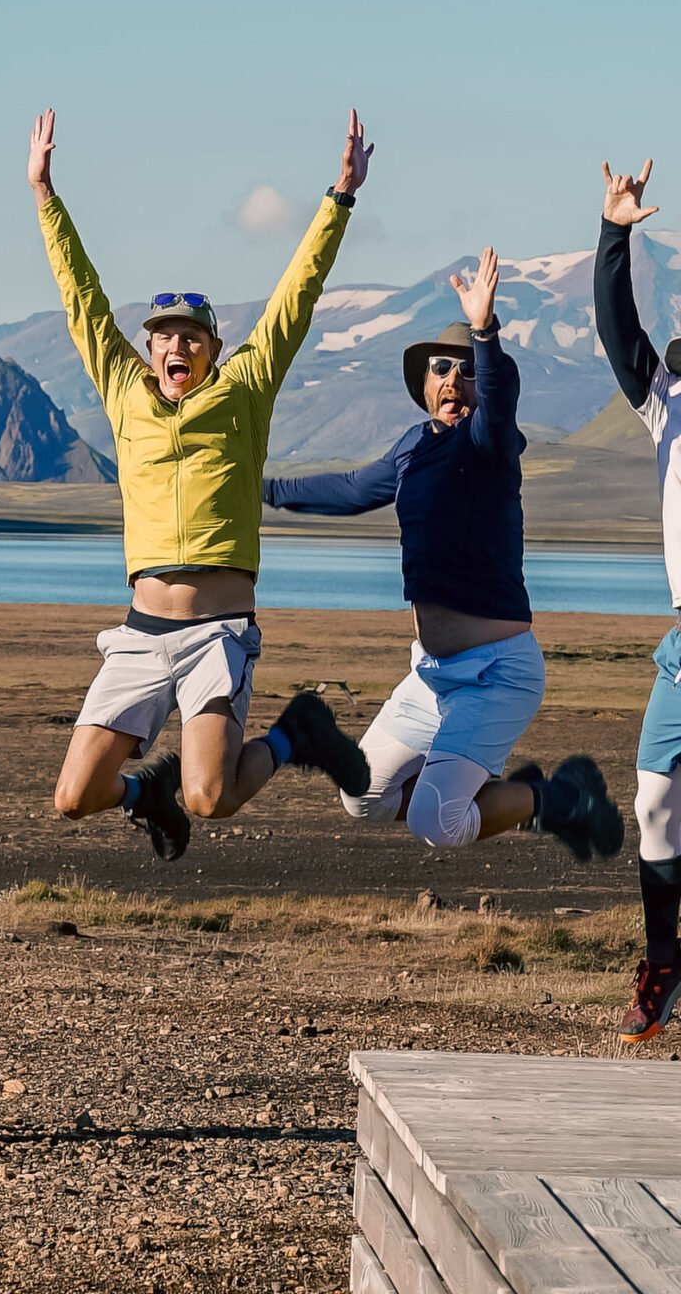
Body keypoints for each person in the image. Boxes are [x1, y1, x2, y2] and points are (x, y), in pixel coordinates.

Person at [28, 108, 371, 862]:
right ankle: (143, 793)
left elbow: (295, 299)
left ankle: (298, 733)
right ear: (148, 349)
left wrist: (337, 200)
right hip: (142, 633)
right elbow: (81, 300)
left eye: (192, 336)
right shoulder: (123, 390)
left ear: (214, 348)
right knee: (73, 797)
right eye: (164, 336)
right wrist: (46, 198)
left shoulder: (244, 390)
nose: (176, 345)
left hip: (218, 629)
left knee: (210, 798)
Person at [264, 246, 623, 861]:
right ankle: (484, 788)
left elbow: (501, 389)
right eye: (440, 368)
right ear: (424, 384)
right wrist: (256, 489)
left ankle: (556, 799)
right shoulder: (411, 447)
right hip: (431, 675)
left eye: (466, 370)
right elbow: (349, 490)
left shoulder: (492, 442)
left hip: (496, 675)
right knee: (365, 798)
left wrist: (484, 329)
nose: (453, 379)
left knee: (436, 819)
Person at [591, 157, 681, 1042]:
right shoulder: (669, 402)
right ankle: (663, 958)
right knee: (654, 800)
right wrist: (616, 234)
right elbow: (621, 333)